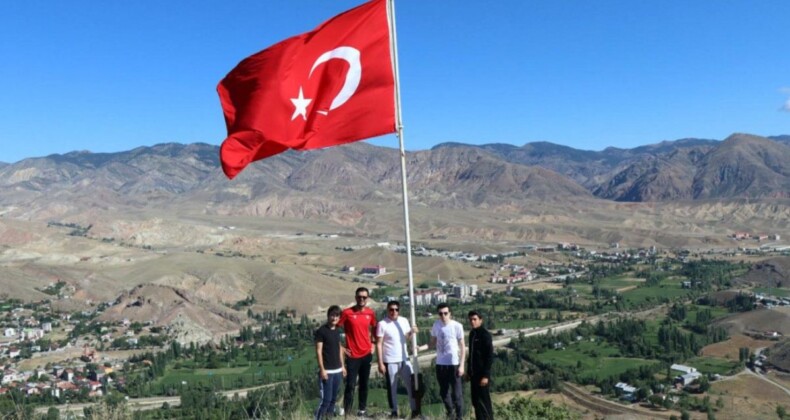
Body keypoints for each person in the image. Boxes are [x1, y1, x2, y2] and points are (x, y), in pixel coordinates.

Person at [338, 287, 377, 417]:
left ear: (367, 298)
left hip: (366, 354)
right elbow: (334, 329)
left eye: (364, 297)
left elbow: (375, 328)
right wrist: (341, 347)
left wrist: (373, 344)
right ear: (355, 298)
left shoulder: (370, 313)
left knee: (364, 384)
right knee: (350, 385)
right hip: (352, 355)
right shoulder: (347, 313)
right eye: (359, 297)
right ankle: (348, 414)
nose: (362, 299)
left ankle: (362, 410)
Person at [376, 300, 418, 419]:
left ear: (399, 310)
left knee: (411, 386)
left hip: (404, 359)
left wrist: (411, 332)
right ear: (387, 310)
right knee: (392, 387)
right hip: (389, 361)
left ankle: (414, 411)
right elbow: (379, 344)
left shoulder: (404, 321)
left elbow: (405, 338)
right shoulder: (382, 324)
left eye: (396, 309)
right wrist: (380, 363)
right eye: (391, 309)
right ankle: (394, 412)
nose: (394, 312)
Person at [430, 303, 465, 420]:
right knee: (444, 393)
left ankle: (459, 417)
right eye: (440, 313)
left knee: (457, 394)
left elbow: (462, 346)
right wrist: (419, 348)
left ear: (450, 313)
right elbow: (432, 343)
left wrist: (462, 365)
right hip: (440, 365)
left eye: (445, 313)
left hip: (454, 364)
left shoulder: (457, 326)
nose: (443, 316)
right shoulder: (436, 325)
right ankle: (451, 414)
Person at [314, 305, 346, 419]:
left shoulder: (337, 330)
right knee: (325, 401)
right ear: (328, 316)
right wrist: (322, 370)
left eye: (337, 315)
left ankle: (329, 418)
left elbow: (339, 349)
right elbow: (318, 351)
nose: (334, 318)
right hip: (327, 371)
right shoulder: (321, 331)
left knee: (333, 400)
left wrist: (343, 367)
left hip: (337, 371)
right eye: (332, 315)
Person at [467, 310, 494, 420]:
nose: (472, 322)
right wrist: (468, 371)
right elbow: (472, 355)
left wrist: (486, 376)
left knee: (484, 402)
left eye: (475, 319)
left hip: (482, 376)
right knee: (476, 402)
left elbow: (489, 356)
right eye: (470, 320)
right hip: (473, 375)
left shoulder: (485, 335)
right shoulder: (472, 334)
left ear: (480, 320)